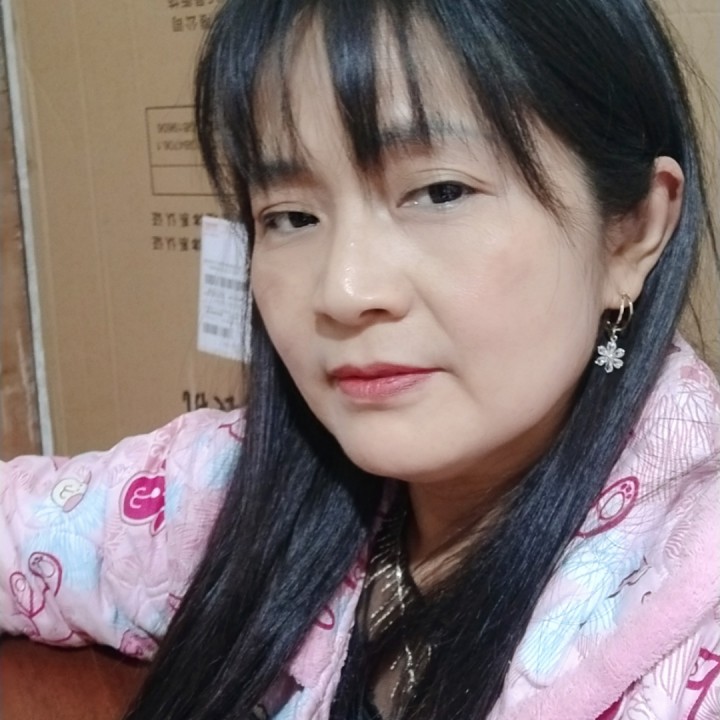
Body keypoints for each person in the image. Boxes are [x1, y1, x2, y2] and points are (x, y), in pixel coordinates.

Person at [1, 0, 719, 718]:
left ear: (634, 231)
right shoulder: (214, 495)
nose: (344, 292)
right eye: (291, 216)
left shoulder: (689, 614)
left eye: (439, 192)